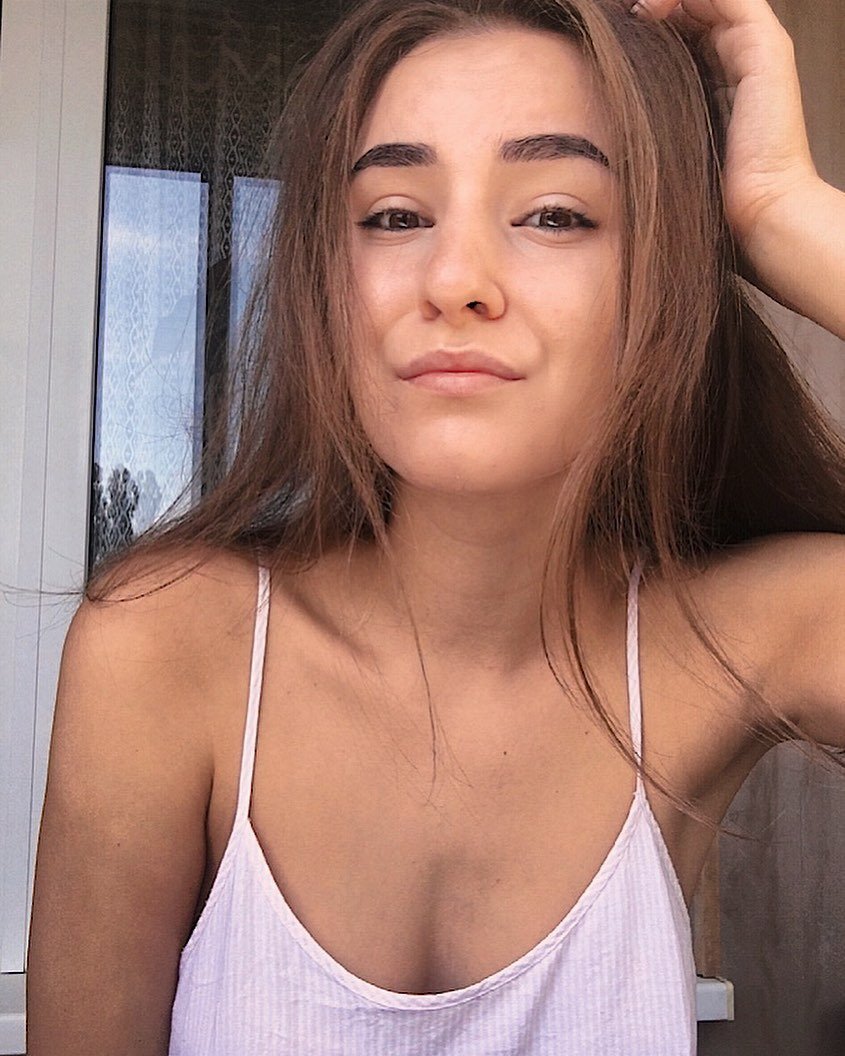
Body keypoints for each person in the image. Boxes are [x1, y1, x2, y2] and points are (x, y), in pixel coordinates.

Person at [26, 0, 844, 1052]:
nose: (452, 282)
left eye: (554, 214)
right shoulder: (164, 646)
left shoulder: (736, 639)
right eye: (393, 217)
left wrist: (781, 212)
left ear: (663, 277)